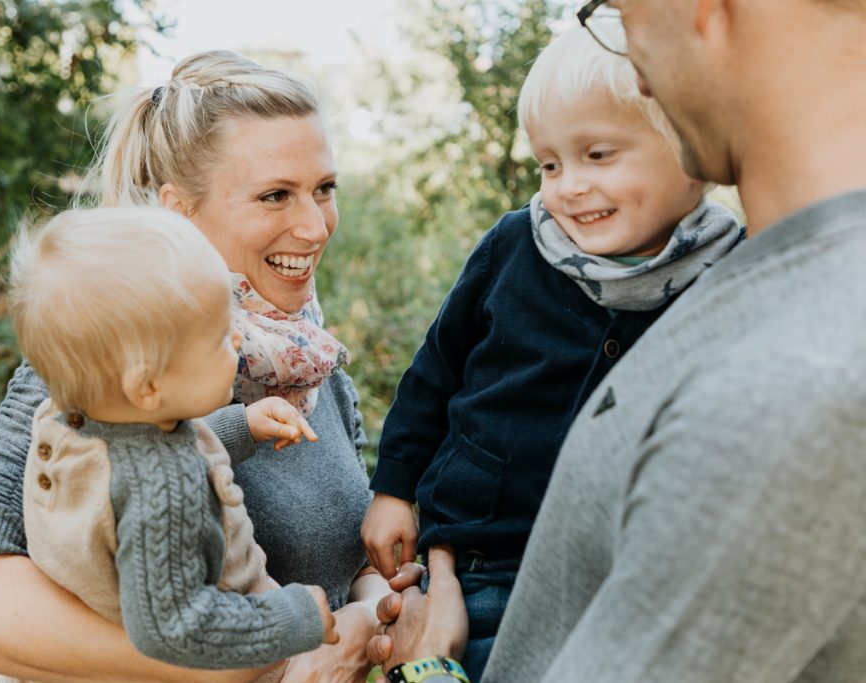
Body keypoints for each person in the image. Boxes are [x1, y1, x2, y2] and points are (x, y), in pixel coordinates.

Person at [368, 1, 866, 681]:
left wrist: (422, 673)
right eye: (550, 164)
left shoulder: (786, 382)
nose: (619, 32)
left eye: (615, 5)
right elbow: (439, 368)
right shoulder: (773, 298)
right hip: (472, 565)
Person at [0, 51, 388, 683]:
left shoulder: (314, 365)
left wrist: (378, 610)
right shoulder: (104, 362)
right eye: (275, 195)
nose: (314, 224)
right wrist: (263, 663)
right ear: (178, 208)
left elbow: (354, 561)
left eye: (324, 189)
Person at [0, 206, 339, 683]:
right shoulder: (165, 493)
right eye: (219, 336)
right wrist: (293, 617)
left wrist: (242, 425)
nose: (237, 336)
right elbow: (175, 627)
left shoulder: (69, 419)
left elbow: (131, 464)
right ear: (147, 387)